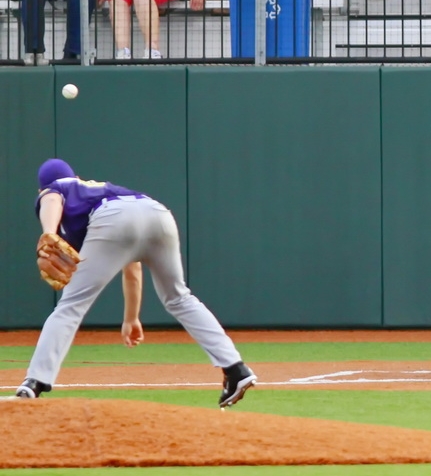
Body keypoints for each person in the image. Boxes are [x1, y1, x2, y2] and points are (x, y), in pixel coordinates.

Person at [16, 158, 256, 408]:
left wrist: (49, 232)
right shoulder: (96, 189)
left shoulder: (58, 189)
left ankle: (35, 381)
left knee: (71, 305)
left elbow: (51, 197)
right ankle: (236, 368)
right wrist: (131, 318)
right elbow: (132, 266)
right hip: (157, 213)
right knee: (179, 298)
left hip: (113, 217)